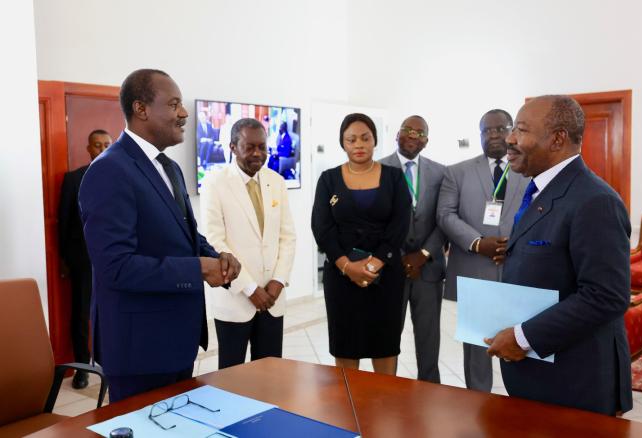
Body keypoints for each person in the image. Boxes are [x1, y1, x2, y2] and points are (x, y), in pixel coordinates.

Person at [78, 69, 241, 402]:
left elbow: (183, 234)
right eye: (174, 104)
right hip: (140, 349)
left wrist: (215, 258)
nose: (183, 113)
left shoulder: (170, 168)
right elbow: (116, 267)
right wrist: (198, 269)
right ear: (142, 110)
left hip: (177, 340)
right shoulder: (110, 171)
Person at [484, 95, 632, 415]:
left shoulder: (595, 201)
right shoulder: (541, 189)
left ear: (557, 139)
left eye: (521, 130)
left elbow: (606, 295)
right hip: (538, 377)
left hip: (576, 381)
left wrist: (522, 337)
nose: (509, 139)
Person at [436, 109, 529, 391]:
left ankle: (522, 406)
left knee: (522, 342)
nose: (493, 135)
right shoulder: (457, 172)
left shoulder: (529, 169)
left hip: (519, 268)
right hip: (474, 268)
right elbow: (445, 215)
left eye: (500, 128)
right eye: (486, 130)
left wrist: (513, 245)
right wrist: (478, 242)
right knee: (477, 349)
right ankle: (478, 405)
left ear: (512, 131)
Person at [311, 113, 411, 375]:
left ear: (375, 141)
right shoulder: (328, 179)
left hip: (385, 275)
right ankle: (349, 408)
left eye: (365, 138)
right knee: (346, 346)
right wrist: (347, 267)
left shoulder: (394, 177)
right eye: (351, 139)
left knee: (385, 346)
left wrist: (374, 264)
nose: (359, 144)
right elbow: (322, 229)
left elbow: (400, 224)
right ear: (343, 143)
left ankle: (385, 404)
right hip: (341, 276)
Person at [201, 118, 296, 368]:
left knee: (270, 374)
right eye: (250, 147)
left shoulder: (276, 181)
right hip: (236, 298)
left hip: (273, 299)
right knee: (231, 378)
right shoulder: (215, 183)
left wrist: (277, 281)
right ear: (233, 147)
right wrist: (251, 289)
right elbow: (214, 241)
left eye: (262, 147)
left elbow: (287, 236)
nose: (258, 153)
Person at [379, 115, 446, 383]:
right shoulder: (378, 168)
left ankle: (430, 392)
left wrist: (424, 253)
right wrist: (398, 256)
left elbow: (445, 218)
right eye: (407, 129)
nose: (412, 135)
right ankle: (387, 389)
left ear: (426, 141)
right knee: (387, 337)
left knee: (429, 339)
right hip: (391, 269)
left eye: (419, 133)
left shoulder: (441, 173)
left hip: (428, 270)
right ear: (397, 134)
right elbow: (376, 221)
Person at [58, 128, 112, 389]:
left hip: (115, 259)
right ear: (88, 149)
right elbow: (64, 223)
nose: (102, 149)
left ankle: (111, 361)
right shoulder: (73, 179)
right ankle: (82, 367)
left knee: (112, 311)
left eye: (106, 145)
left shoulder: (122, 177)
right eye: (97, 145)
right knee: (81, 315)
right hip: (83, 260)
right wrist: (64, 260)